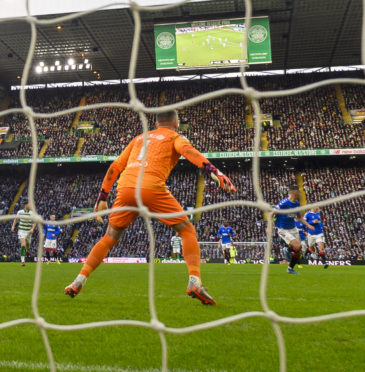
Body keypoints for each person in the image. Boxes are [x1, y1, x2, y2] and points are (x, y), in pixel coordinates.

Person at [64, 110, 236, 305]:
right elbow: (188, 152)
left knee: (110, 237)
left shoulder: (139, 138)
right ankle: (194, 281)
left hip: (126, 188)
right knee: (187, 230)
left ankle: (79, 280)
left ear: (155, 123)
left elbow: (115, 167)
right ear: (176, 122)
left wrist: (102, 197)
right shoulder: (174, 136)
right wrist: (214, 171)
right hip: (151, 188)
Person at [270, 185, 315, 274]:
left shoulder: (297, 204)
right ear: (294, 192)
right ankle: (287, 250)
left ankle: (290, 268)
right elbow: (271, 213)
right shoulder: (284, 203)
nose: (300, 193)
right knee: (297, 246)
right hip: (283, 229)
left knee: (300, 250)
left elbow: (299, 217)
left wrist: (308, 225)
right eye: (299, 191)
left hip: (293, 229)